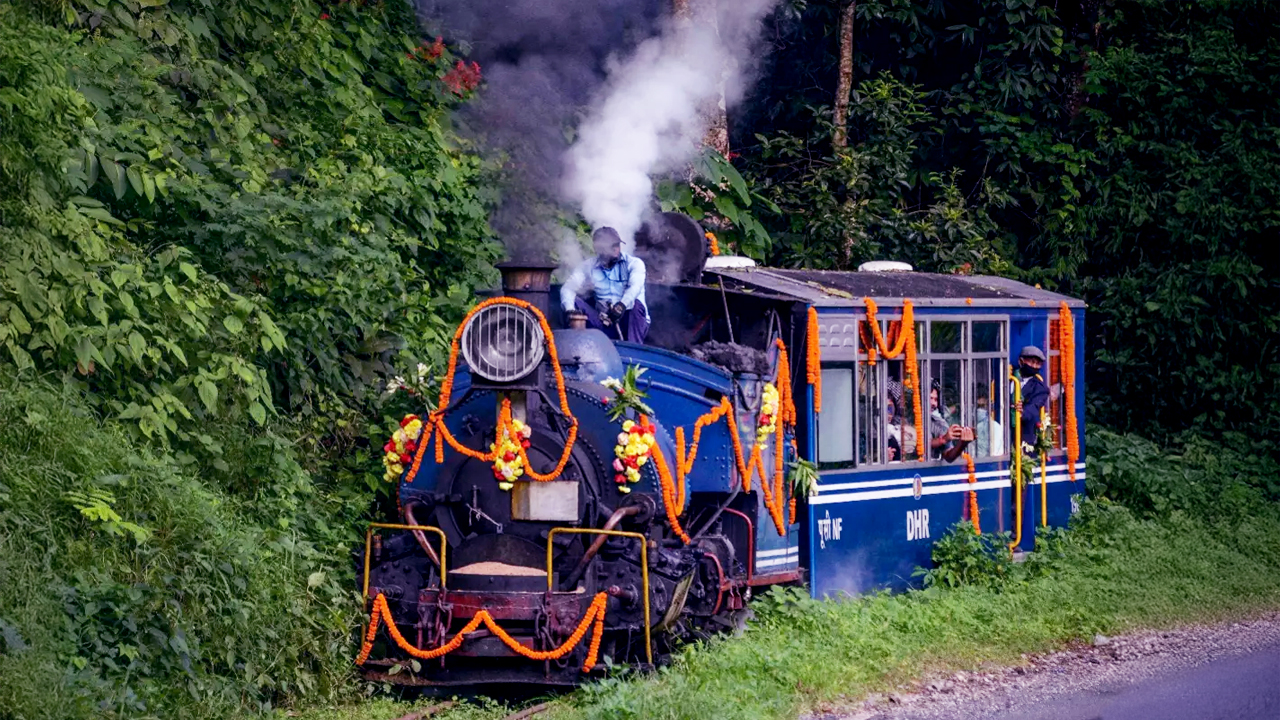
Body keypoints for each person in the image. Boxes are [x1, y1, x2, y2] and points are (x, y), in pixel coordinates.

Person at [559, 227, 650, 343]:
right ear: (598, 249)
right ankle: (580, 347)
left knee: (636, 305)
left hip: (632, 323)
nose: (616, 249)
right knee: (574, 302)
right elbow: (567, 289)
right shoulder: (587, 267)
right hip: (603, 323)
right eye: (612, 246)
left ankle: (634, 350)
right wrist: (570, 310)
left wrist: (621, 306)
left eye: (617, 245)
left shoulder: (634, 264)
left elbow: (635, 287)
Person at [1014, 345, 1050, 452]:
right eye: (1032, 362)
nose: (1034, 366)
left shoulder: (1040, 388)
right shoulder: (1009, 379)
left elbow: (1034, 406)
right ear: (1021, 361)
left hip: (1024, 436)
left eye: (1038, 364)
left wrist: (1022, 412)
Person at [928, 379, 972, 462]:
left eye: (936, 399)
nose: (933, 403)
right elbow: (917, 442)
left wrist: (962, 444)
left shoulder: (939, 424)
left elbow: (949, 456)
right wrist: (943, 439)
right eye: (930, 398)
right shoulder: (904, 419)